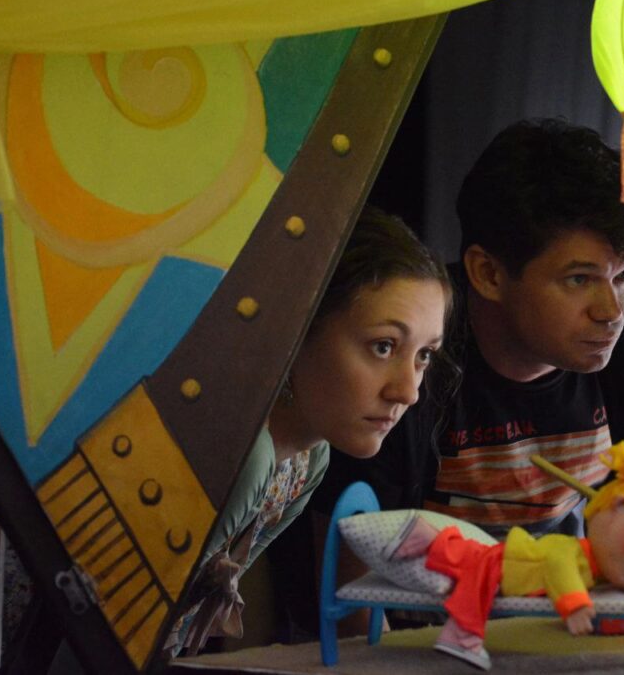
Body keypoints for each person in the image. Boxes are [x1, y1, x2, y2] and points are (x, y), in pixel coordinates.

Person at [313, 117, 624, 541]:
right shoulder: (407, 356)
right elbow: (351, 566)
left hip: (563, 582)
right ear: (488, 274)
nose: (612, 311)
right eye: (579, 279)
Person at [164, 205, 453, 656]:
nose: (409, 391)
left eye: (424, 355)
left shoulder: (309, 457)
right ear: (297, 328)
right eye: (383, 347)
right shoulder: (247, 454)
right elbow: (138, 630)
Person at [381, 441, 624, 670]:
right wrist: (574, 603)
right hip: (509, 565)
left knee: (465, 558)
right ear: (617, 506)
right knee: (468, 564)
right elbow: (558, 566)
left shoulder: (598, 568)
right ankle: (427, 552)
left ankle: (423, 539)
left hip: (511, 569)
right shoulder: (571, 551)